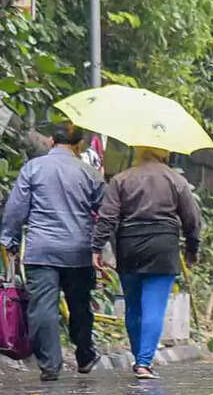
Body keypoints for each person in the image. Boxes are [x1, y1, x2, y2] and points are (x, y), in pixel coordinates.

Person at [0, 124, 105, 381]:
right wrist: (99, 247)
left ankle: (50, 365)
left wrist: (10, 240)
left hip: (41, 250)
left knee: (43, 307)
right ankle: (84, 356)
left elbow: (15, 209)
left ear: (50, 141)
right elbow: (105, 211)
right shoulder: (89, 173)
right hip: (78, 251)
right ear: (80, 144)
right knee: (80, 305)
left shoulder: (33, 168)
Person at [92, 146, 201, 379]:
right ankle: (143, 362)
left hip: (129, 247)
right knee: (154, 306)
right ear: (164, 152)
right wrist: (192, 249)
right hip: (163, 247)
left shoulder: (121, 179)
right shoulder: (175, 180)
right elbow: (191, 219)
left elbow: (108, 216)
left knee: (134, 306)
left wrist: (96, 247)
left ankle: (139, 357)